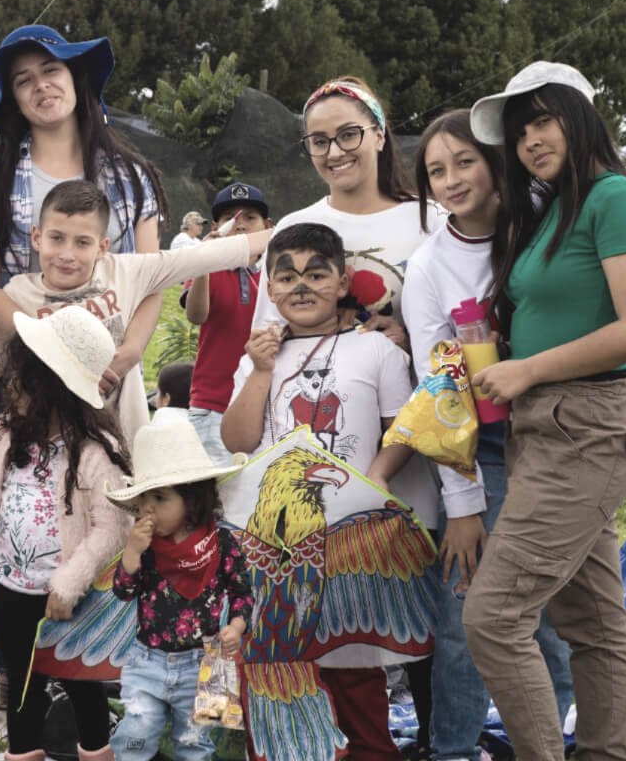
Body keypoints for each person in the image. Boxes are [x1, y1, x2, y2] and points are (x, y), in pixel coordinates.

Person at [463, 61, 626, 760]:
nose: (531, 142)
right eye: (519, 133)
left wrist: (527, 370)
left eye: (544, 120)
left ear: (580, 116)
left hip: (586, 426)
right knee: (592, 621)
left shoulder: (616, 198)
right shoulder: (556, 208)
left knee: (492, 617)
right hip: (543, 429)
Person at [247, 76, 441, 757]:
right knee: (331, 632)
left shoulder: (430, 221)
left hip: (417, 447)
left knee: (413, 617)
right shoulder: (300, 226)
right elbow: (269, 340)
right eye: (319, 140)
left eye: (348, 134)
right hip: (322, 472)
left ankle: (437, 743)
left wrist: (406, 340)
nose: (334, 151)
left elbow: (459, 315)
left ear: (380, 133)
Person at [401, 108, 574, 760]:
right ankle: (452, 749)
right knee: (464, 612)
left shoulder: (546, 220)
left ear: (496, 161)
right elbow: (440, 392)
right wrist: (465, 507)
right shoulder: (429, 268)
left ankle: (550, 742)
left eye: (463, 161)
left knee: (554, 608)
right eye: (435, 170)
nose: (449, 180)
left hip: (564, 437)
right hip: (486, 450)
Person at [221, 222, 419, 757]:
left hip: (352, 535)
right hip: (271, 543)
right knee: (276, 660)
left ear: (342, 281)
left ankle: (369, 750)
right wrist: (261, 369)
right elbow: (236, 439)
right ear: (270, 287)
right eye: (285, 277)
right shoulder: (258, 356)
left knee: (353, 663)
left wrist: (376, 477)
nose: (300, 286)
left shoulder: (375, 350)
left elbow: (403, 427)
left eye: (315, 273)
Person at [0, 306, 132, 761]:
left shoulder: (99, 452)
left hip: (70, 597)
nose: (10, 385)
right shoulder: (5, 434)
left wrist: (69, 582)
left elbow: (111, 529)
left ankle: (96, 752)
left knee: (83, 689)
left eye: (23, 376)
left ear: (55, 385)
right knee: (22, 687)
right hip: (12, 590)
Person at [0, 180, 272, 442]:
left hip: (117, 450)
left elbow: (218, 252)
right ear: (37, 237)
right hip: (38, 452)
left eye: (82, 242)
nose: (67, 254)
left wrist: (308, 221)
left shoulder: (126, 272)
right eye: (56, 238)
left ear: (102, 246)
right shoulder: (16, 294)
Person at [0, 23, 167, 391]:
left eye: (51, 69)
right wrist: (60, 358)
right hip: (19, 381)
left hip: (109, 381)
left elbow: (151, 278)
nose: (40, 84)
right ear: (15, 100)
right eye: (23, 80)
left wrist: (130, 351)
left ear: (74, 77)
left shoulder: (131, 175)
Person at [103, 420, 252, 761]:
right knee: (135, 736)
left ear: (192, 498)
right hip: (147, 659)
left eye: (160, 497)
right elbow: (124, 592)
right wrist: (131, 554)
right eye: (142, 499)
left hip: (211, 661)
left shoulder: (223, 542)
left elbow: (243, 593)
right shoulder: (147, 546)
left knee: (197, 745)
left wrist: (238, 627)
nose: (147, 509)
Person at [182, 182, 273, 464]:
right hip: (213, 406)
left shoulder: (279, 272)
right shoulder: (207, 270)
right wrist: (204, 265)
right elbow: (196, 315)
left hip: (267, 406)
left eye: (250, 217)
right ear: (216, 225)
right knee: (216, 499)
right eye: (230, 218)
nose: (240, 224)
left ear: (267, 225)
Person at [150, 361, 192, 427]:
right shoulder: (200, 419)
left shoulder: (162, 416)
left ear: (166, 399)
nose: (156, 397)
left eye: (158, 392)